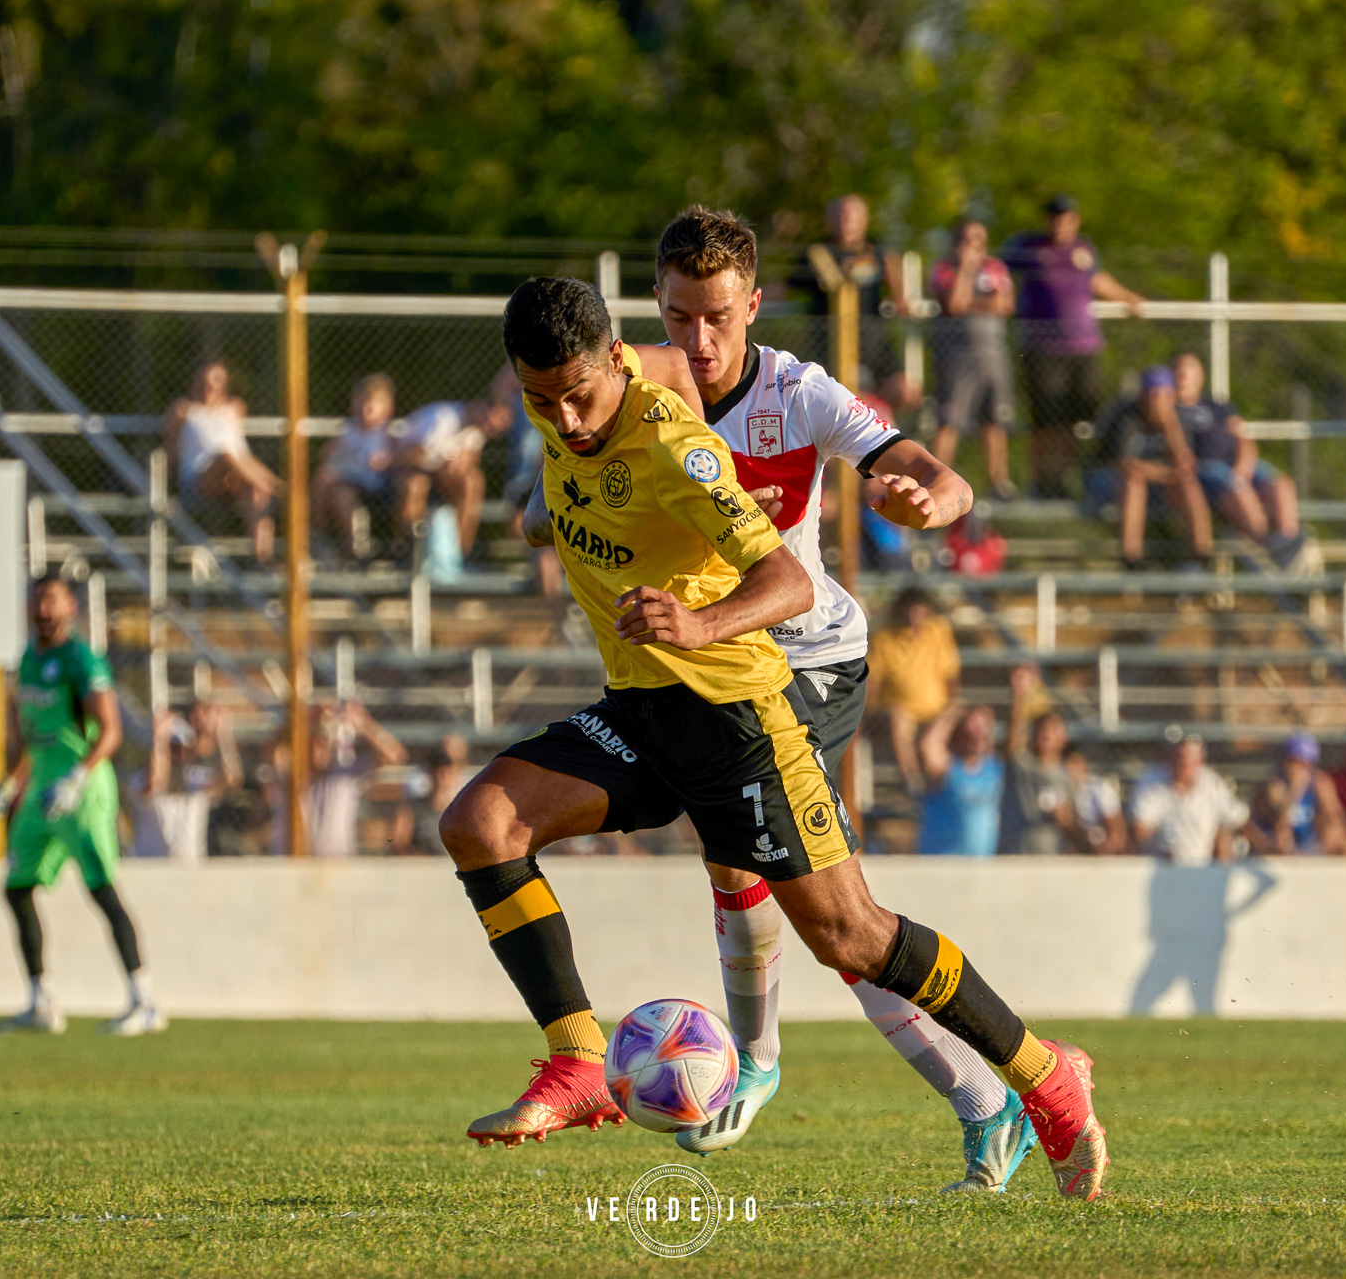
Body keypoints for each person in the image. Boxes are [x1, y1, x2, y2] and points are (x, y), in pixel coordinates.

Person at [445, 277, 1108, 1201]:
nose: (565, 418)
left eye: (578, 397)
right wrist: (544, 509)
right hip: (642, 712)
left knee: (851, 935)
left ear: (612, 365)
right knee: (481, 824)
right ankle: (579, 1061)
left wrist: (694, 623)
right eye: (540, 399)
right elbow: (560, 489)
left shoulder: (677, 448)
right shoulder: (577, 403)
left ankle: (1043, 1074)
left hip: (739, 721)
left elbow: (789, 583)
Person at [0, 571, 166, 1036]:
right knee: (16, 888)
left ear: (70, 608)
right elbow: (30, 736)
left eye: (52, 600)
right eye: (37, 600)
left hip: (81, 791)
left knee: (102, 890)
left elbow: (111, 731)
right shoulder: (27, 660)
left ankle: (144, 1001)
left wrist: (77, 779)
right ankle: (41, 1003)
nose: (43, 609)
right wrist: (8, 786)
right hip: (40, 791)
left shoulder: (82, 660)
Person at [1002, 194, 1146, 498]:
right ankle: (1041, 481)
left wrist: (1130, 299)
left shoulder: (1084, 250)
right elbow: (1000, 274)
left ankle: (1062, 479)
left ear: (1075, 221)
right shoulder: (1029, 247)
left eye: (1066, 217)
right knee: (1045, 420)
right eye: (1055, 217)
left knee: (1074, 418)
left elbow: (1098, 281)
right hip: (1043, 347)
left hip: (1083, 348)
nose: (1060, 223)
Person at [1171, 353, 1306, 569]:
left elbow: (1243, 438)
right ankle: (1270, 548)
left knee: (1281, 485)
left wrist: (1243, 466)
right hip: (1206, 469)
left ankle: (1286, 541)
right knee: (1238, 491)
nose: (1183, 376)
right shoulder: (1168, 409)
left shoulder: (1218, 407)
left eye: (1189, 370)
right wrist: (1237, 478)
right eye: (1179, 371)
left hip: (1236, 464)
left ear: (1200, 376)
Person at [1088, 365, 1213, 569]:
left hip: (1155, 482)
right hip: (1106, 480)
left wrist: (1169, 425)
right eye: (1151, 395)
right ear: (1141, 396)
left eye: (1162, 396)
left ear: (1171, 397)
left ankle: (1201, 556)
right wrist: (1170, 474)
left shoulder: (1177, 417)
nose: (1155, 402)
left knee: (1188, 483)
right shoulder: (1126, 416)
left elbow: (1185, 463)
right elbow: (1128, 466)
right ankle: (1131, 559)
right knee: (1134, 482)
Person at [788, 194, 911, 399]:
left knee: (905, 391)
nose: (846, 221)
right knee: (822, 395)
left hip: (873, 342)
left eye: (851, 215)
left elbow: (894, 273)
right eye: (840, 215)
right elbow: (785, 286)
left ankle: (875, 412)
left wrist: (900, 296)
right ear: (829, 220)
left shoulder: (877, 252)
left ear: (864, 219)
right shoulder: (816, 254)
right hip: (828, 345)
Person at [931, 218, 1019, 500]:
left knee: (995, 419)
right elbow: (955, 304)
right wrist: (967, 270)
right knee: (950, 420)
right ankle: (936, 478)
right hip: (957, 358)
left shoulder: (995, 267)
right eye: (966, 239)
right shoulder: (945, 269)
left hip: (993, 355)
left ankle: (998, 481)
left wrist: (973, 303)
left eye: (978, 239)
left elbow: (1005, 304)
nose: (972, 246)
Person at [163, 361, 280, 564]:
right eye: (203, 383)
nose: (209, 388)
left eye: (215, 382)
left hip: (235, 476)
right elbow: (170, 452)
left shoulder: (233, 409)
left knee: (256, 490)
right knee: (226, 455)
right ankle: (280, 490)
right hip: (199, 478)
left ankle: (264, 559)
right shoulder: (183, 410)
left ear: (224, 386)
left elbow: (240, 448)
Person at [268, 700, 409, 858]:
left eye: (322, 741)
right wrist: (302, 719)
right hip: (289, 861)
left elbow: (394, 757)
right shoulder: (289, 774)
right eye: (311, 741)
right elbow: (272, 752)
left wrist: (365, 726)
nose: (317, 749)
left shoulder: (344, 773)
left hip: (337, 862)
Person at [866, 587, 962, 796]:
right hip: (901, 712)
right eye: (910, 611)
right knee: (898, 719)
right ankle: (914, 783)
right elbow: (873, 680)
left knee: (930, 744)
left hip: (937, 710)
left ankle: (941, 792)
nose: (914, 618)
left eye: (920, 612)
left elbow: (951, 675)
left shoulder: (939, 631)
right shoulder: (884, 638)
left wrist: (953, 705)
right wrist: (868, 713)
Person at [395, 394, 513, 560]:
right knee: (416, 484)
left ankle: (458, 553)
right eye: (497, 416)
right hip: (410, 469)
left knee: (473, 481)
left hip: (439, 477)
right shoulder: (442, 419)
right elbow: (409, 456)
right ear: (479, 405)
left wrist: (461, 463)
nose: (497, 425)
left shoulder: (477, 430)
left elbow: (471, 461)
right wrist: (442, 462)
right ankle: (408, 550)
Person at [130, 703, 244, 862]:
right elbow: (157, 781)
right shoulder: (139, 779)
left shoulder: (194, 779)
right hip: (152, 868)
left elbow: (232, 778)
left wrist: (222, 735)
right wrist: (160, 739)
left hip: (191, 867)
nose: (181, 754)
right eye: (174, 748)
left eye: (185, 748)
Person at [312, 374, 403, 562]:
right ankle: (328, 541)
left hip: (377, 486)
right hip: (348, 483)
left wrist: (388, 461)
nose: (366, 408)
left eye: (373, 404)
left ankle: (321, 536)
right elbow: (327, 456)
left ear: (388, 408)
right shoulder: (348, 430)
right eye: (362, 402)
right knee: (334, 488)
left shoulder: (389, 433)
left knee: (330, 482)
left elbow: (396, 461)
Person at [1129, 736, 1248, 866]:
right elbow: (1140, 829)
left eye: (1186, 763)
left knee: (1225, 835)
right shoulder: (1151, 781)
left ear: (1200, 763)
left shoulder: (1213, 784)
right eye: (1176, 760)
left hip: (1203, 865)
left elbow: (1238, 819)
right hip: (1161, 863)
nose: (1180, 766)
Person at [997, 664, 1074, 856]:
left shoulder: (1068, 776)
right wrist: (1020, 696)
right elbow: (1013, 741)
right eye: (1040, 728)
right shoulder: (1023, 767)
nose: (1045, 733)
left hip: (1050, 861)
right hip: (1016, 858)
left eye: (1052, 728)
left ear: (1064, 738)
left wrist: (1066, 821)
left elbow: (1075, 826)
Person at [916, 703, 1005, 858]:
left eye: (983, 730)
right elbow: (928, 745)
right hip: (941, 861)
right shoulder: (947, 767)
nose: (977, 736)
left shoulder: (993, 767)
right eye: (972, 731)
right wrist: (952, 712)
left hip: (980, 864)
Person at [1245, 734, 1346, 857]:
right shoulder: (1274, 785)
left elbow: (1334, 815)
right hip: (1275, 839)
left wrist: (1331, 830)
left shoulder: (1320, 783)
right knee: (1283, 838)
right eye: (1292, 762)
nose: (1296, 768)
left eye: (1302, 764)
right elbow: (1281, 823)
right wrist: (1295, 790)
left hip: (1308, 840)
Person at [1063, 745, 1127, 854]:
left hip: (1101, 848)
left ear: (1085, 765)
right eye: (1067, 764)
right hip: (1072, 848)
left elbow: (1115, 826)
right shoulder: (1059, 788)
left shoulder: (1100, 787)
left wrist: (1106, 846)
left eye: (1075, 763)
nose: (1071, 768)